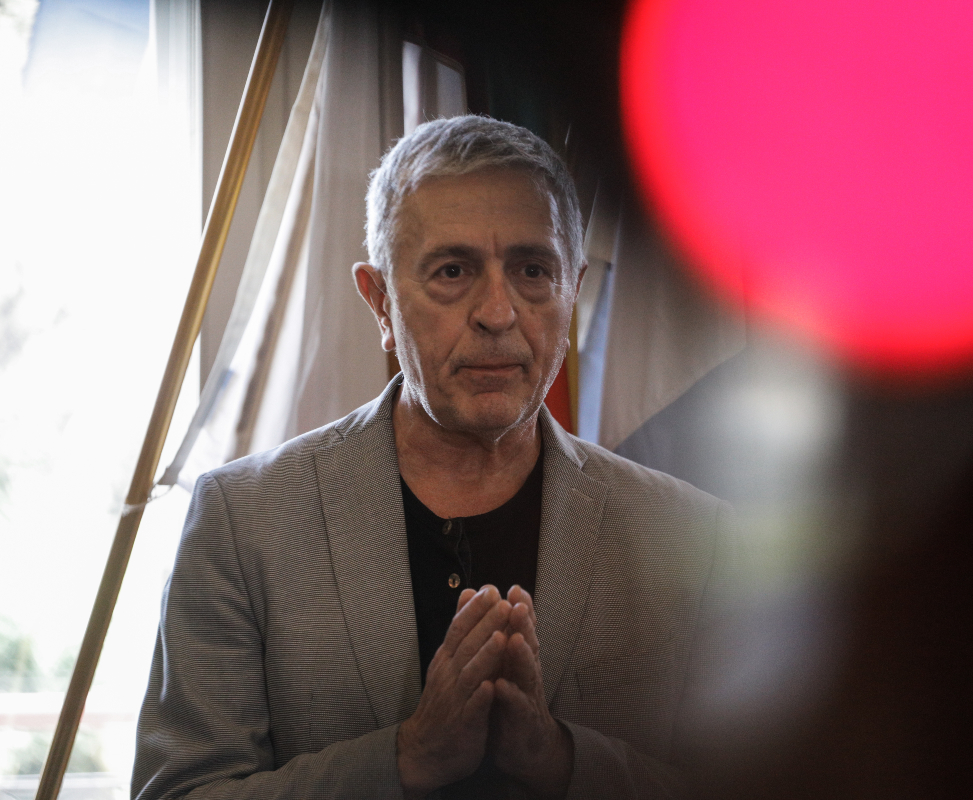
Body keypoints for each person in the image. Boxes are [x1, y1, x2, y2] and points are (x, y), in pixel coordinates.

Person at [132, 116, 735, 799]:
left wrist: (561, 760)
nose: (498, 312)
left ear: (572, 289)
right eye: (453, 271)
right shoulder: (242, 520)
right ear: (380, 302)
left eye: (533, 271)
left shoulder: (692, 535)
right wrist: (406, 758)